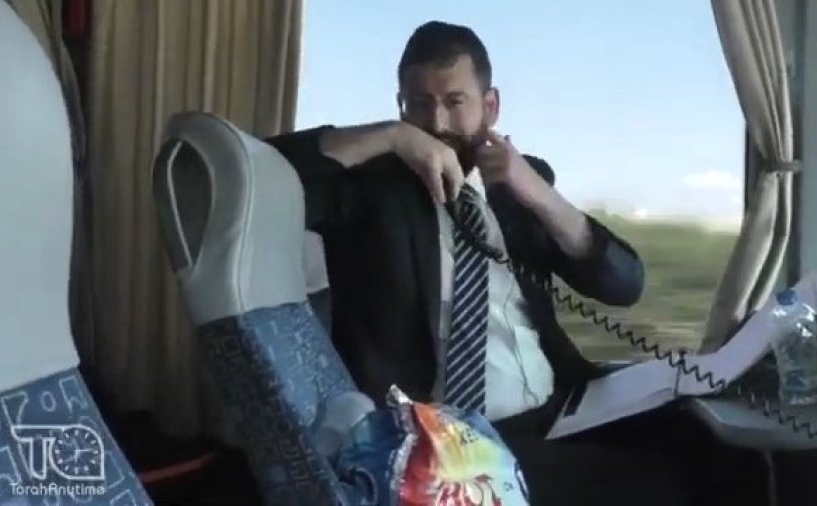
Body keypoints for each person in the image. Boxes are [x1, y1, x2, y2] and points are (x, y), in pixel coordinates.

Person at [267, 20, 767, 506]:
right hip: (441, 443)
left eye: (454, 102)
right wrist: (391, 137)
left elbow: (623, 285)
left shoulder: (521, 188)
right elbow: (258, 171)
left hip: (557, 408)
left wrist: (534, 190)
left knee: (718, 449)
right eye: (418, 105)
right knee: (654, 485)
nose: (437, 123)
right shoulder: (366, 188)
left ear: (490, 106)